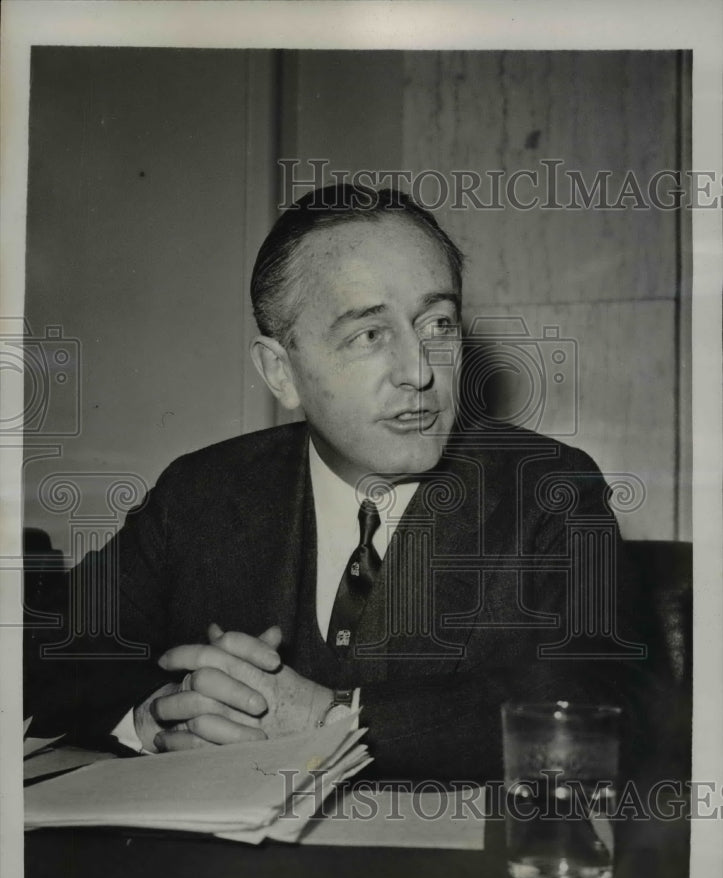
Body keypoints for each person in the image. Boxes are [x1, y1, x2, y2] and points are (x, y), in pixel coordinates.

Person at [24, 185, 664, 780]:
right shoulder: (200, 495)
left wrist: (329, 720)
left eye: (438, 324)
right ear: (281, 372)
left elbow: (605, 705)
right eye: (369, 334)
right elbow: (45, 666)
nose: (419, 370)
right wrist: (150, 722)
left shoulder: (547, 489)